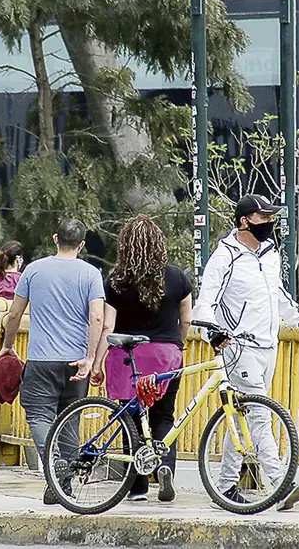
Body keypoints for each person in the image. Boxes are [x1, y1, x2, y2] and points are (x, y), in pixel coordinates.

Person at [193, 194, 299, 511]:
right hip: (238, 345)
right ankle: (280, 485)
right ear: (244, 221)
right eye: (264, 218)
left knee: (244, 415)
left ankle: (225, 486)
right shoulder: (225, 256)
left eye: (271, 218)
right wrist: (212, 330)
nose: (270, 224)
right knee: (261, 414)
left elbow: (277, 294)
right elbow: (205, 302)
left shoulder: (269, 254)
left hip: (268, 345)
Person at [0, 219, 105, 505]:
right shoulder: (92, 274)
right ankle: (62, 483)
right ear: (81, 244)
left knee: (38, 416)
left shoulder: (33, 270)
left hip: (41, 360)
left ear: (55, 238)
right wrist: (91, 359)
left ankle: (53, 467)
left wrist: (7, 346)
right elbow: (97, 317)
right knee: (70, 422)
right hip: (75, 360)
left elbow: (14, 314)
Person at [91, 215, 192, 503]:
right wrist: (177, 345)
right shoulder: (177, 277)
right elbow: (187, 320)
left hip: (128, 356)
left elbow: (108, 326)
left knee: (131, 420)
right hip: (167, 357)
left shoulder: (117, 281)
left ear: (125, 246)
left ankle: (136, 487)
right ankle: (164, 469)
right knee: (163, 416)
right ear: (160, 244)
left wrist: (96, 363)